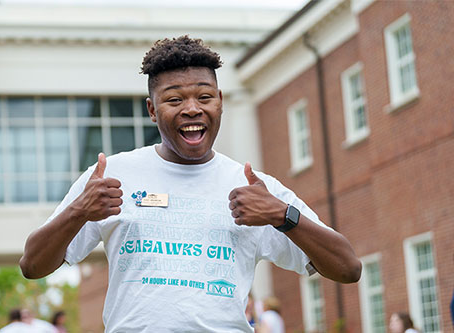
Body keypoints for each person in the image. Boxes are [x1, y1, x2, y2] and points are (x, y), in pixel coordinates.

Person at [20, 35, 361, 332]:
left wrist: (282, 215)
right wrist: (78, 211)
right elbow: (32, 266)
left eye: (204, 97)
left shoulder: (255, 186)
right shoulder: (112, 175)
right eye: (174, 100)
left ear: (221, 101)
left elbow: (348, 268)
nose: (192, 109)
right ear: (152, 110)